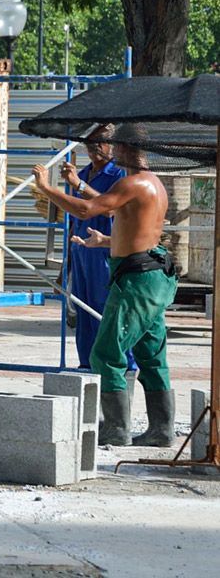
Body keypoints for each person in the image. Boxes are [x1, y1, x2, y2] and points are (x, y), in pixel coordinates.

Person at [33, 133, 178, 447]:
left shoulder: (133, 183)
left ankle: (116, 429)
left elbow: (86, 210)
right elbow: (144, 233)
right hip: (151, 274)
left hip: (137, 280)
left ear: (124, 148)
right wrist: (107, 242)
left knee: (106, 353)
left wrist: (47, 188)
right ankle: (162, 430)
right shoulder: (154, 183)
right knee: (150, 353)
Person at [53, 126, 137, 381]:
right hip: (81, 251)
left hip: (105, 250)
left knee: (106, 311)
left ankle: (121, 367)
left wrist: (79, 186)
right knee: (84, 310)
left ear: (112, 145)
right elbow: (75, 216)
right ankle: (87, 367)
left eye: (100, 142)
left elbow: (111, 209)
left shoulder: (120, 174)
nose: (93, 147)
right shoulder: (81, 174)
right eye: (89, 142)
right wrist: (64, 267)